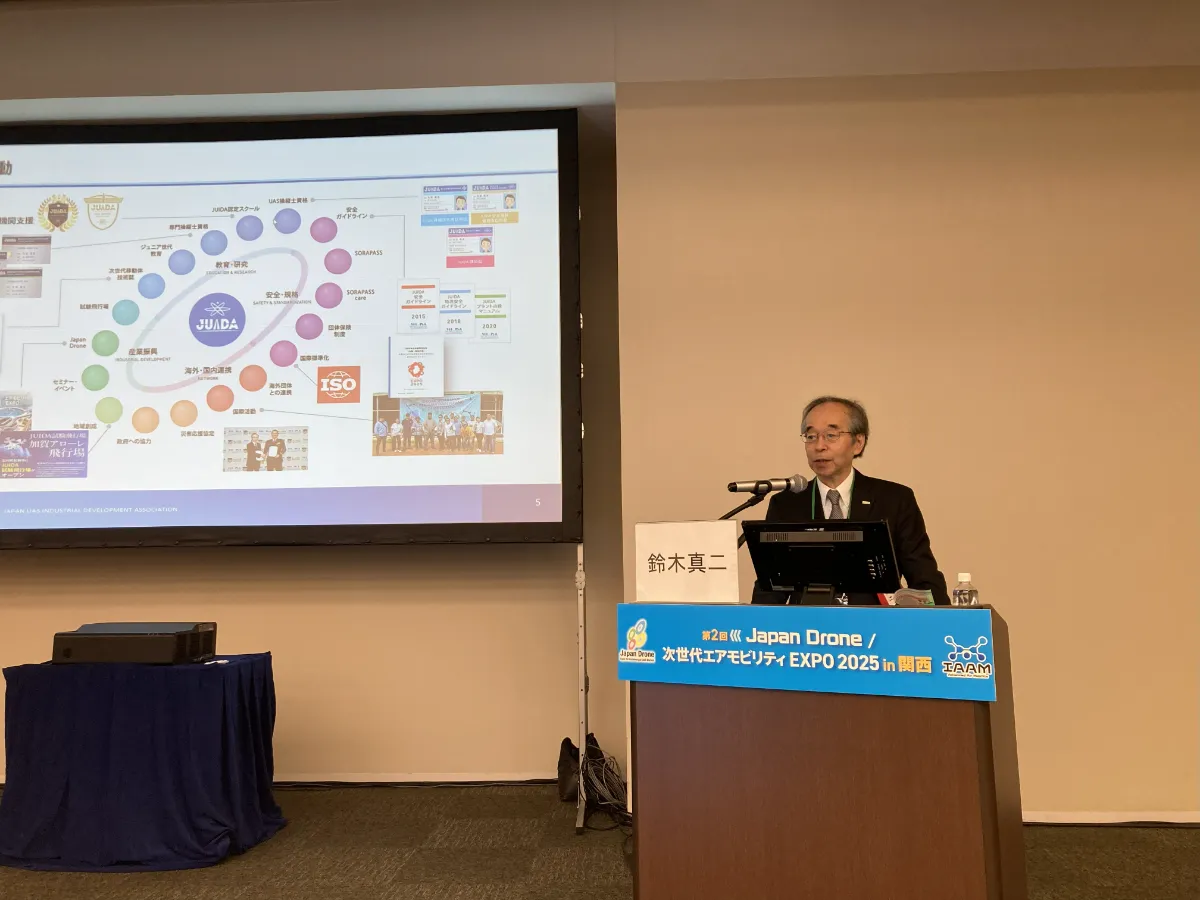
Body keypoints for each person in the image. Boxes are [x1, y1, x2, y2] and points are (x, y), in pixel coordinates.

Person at [765, 396, 949, 604]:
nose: (819, 446)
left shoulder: (894, 500)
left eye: (831, 435)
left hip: (875, 622)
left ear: (858, 443)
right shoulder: (786, 504)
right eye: (811, 436)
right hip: (808, 623)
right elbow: (770, 588)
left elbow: (924, 579)